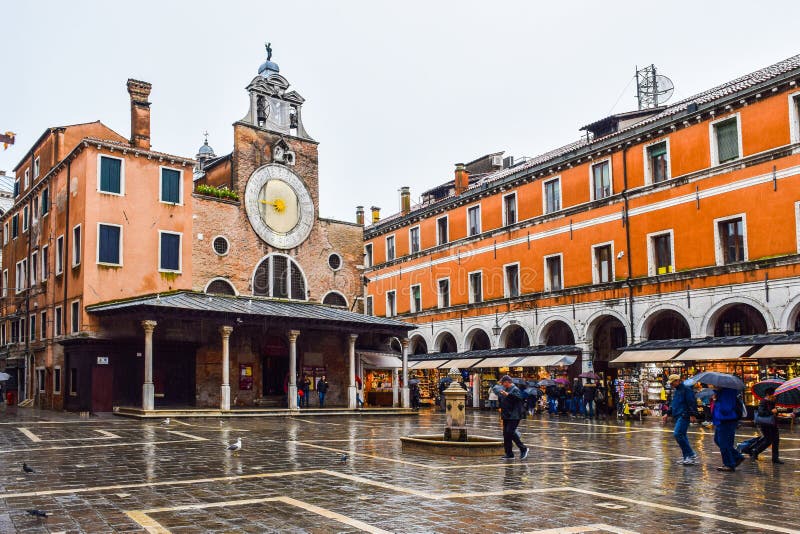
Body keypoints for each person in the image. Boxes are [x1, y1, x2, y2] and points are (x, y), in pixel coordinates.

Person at [661, 374, 699, 465]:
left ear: (677, 381)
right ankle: (687, 457)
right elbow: (673, 404)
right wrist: (667, 413)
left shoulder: (686, 389)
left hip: (683, 415)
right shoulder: (677, 390)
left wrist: (693, 414)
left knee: (678, 434)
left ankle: (691, 454)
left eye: (672, 382)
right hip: (678, 415)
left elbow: (691, 402)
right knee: (682, 435)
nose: (671, 385)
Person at [750, 390, 791, 464]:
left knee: (776, 441)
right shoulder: (763, 402)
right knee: (768, 440)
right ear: (768, 395)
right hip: (765, 424)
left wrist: (778, 411)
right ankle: (755, 451)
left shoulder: (773, 402)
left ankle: (775, 459)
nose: (775, 397)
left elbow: (775, 411)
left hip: (773, 424)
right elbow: (761, 413)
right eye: (773, 395)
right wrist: (772, 412)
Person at [712, 386, 745, 472]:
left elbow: (725, 409)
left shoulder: (727, 393)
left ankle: (729, 464)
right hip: (722, 420)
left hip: (726, 420)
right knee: (718, 440)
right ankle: (737, 457)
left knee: (724, 443)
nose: (713, 385)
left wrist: (716, 400)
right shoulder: (722, 392)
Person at [496, 375, 529, 460]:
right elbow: (504, 401)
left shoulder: (515, 389)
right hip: (506, 415)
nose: (502, 385)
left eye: (503, 383)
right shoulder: (505, 389)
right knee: (506, 434)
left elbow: (518, 399)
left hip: (514, 415)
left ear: (507, 382)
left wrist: (508, 395)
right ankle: (509, 454)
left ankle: (523, 448)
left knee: (510, 432)